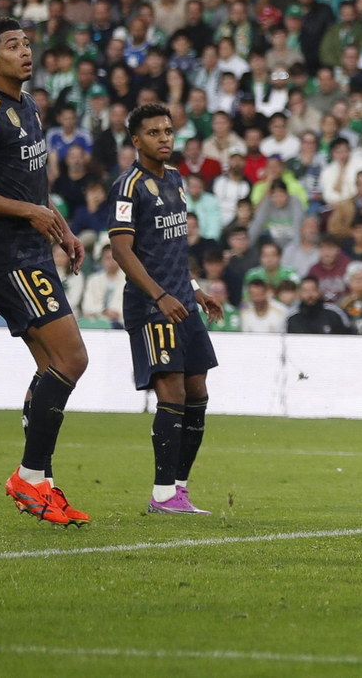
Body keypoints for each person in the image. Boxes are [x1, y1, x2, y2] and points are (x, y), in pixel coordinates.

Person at [0, 17, 91, 526]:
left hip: (34, 249)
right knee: (73, 357)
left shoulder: (27, 106)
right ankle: (29, 475)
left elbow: (34, 183)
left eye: (27, 43)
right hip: (6, 256)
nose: (25, 52)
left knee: (51, 366)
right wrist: (29, 214)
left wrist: (61, 227)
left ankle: (43, 484)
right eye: (12, 46)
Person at [108, 103, 228, 514]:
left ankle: (178, 489)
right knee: (172, 390)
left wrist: (195, 289)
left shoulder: (176, 180)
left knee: (198, 393)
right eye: (154, 132)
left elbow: (173, 249)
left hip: (183, 304)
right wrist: (160, 295)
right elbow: (122, 250)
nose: (164, 138)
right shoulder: (129, 186)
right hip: (151, 307)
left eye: (168, 131)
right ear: (136, 140)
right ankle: (162, 493)